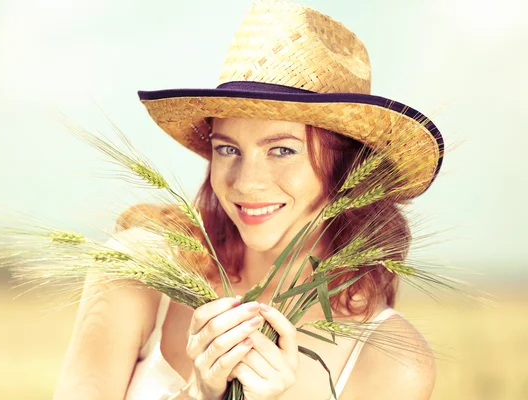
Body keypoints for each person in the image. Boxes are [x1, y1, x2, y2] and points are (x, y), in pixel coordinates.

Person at [54, 0, 444, 399]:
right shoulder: (142, 272)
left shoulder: (391, 362)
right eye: (227, 149)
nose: (246, 183)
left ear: (346, 166)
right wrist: (201, 394)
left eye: (282, 150)